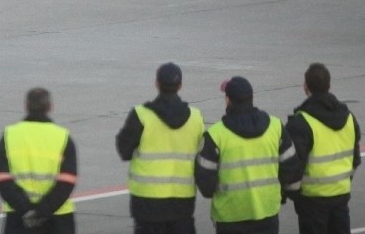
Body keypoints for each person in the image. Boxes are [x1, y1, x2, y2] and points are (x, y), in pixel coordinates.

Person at [195, 76, 303, 234]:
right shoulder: (276, 127)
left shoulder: (215, 135)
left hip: (229, 218)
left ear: (228, 100)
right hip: (267, 214)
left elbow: (206, 187)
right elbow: (292, 171)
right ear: (251, 98)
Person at [116, 62, 205, 234]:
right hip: (182, 199)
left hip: (147, 201)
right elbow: (203, 155)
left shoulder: (141, 115)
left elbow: (124, 151)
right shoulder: (196, 117)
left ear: (156, 83)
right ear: (180, 85)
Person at [285, 63, 360, 234]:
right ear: (329, 85)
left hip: (312, 202)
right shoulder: (348, 118)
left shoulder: (301, 122)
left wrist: (295, 195)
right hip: (340, 197)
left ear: (306, 87)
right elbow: (355, 159)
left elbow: (293, 167)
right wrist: (342, 183)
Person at [0, 88, 77, 234]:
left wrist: (26, 210)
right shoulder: (62, 136)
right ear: (50, 107)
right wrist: (42, 211)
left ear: (26, 106)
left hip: (18, 217)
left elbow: (2, 178)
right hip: (57, 217)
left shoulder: (9, 135)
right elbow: (67, 180)